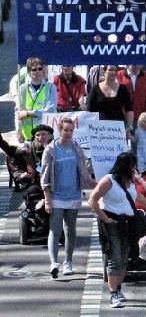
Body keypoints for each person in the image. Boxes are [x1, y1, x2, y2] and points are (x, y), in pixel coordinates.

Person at [88, 152, 146, 308]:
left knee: (126, 254)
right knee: (115, 257)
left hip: (129, 223)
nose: (135, 169)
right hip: (112, 223)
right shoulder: (108, 180)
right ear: (124, 166)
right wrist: (105, 219)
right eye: (132, 165)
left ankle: (118, 289)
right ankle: (113, 294)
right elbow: (92, 200)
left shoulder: (130, 181)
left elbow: (138, 197)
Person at [40, 118, 97, 279]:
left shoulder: (76, 148)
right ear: (60, 130)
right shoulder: (50, 150)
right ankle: (54, 263)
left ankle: (68, 262)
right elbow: (44, 178)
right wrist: (47, 199)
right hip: (56, 195)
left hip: (73, 195)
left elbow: (84, 174)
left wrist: (99, 185)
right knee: (55, 229)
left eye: (71, 130)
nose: (68, 133)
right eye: (66, 130)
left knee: (70, 230)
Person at [15, 57, 57, 143]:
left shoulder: (50, 87)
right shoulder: (22, 88)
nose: (37, 71)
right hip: (27, 136)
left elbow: (51, 110)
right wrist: (18, 131)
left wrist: (28, 113)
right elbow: (18, 112)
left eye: (40, 69)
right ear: (29, 72)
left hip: (45, 136)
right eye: (34, 70)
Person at [0, 125, 54, 189]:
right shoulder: (27, 152)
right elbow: (18, 169)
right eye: (37, 135)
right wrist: (21, 176)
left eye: (43, 134)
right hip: (36, 185)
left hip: (55, 185)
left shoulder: (56, 150)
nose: (40, 137)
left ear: (50, 136)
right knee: (32, 191)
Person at [87, 65, 134, 132]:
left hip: (118, 128)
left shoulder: (123, 89)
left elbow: (129, 109)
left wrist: (130, 126)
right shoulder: (95, 89)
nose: (113, 72)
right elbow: (89, 110)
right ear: (104, 72)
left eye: (115, 70)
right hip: (99, 128)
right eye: (110, 70)